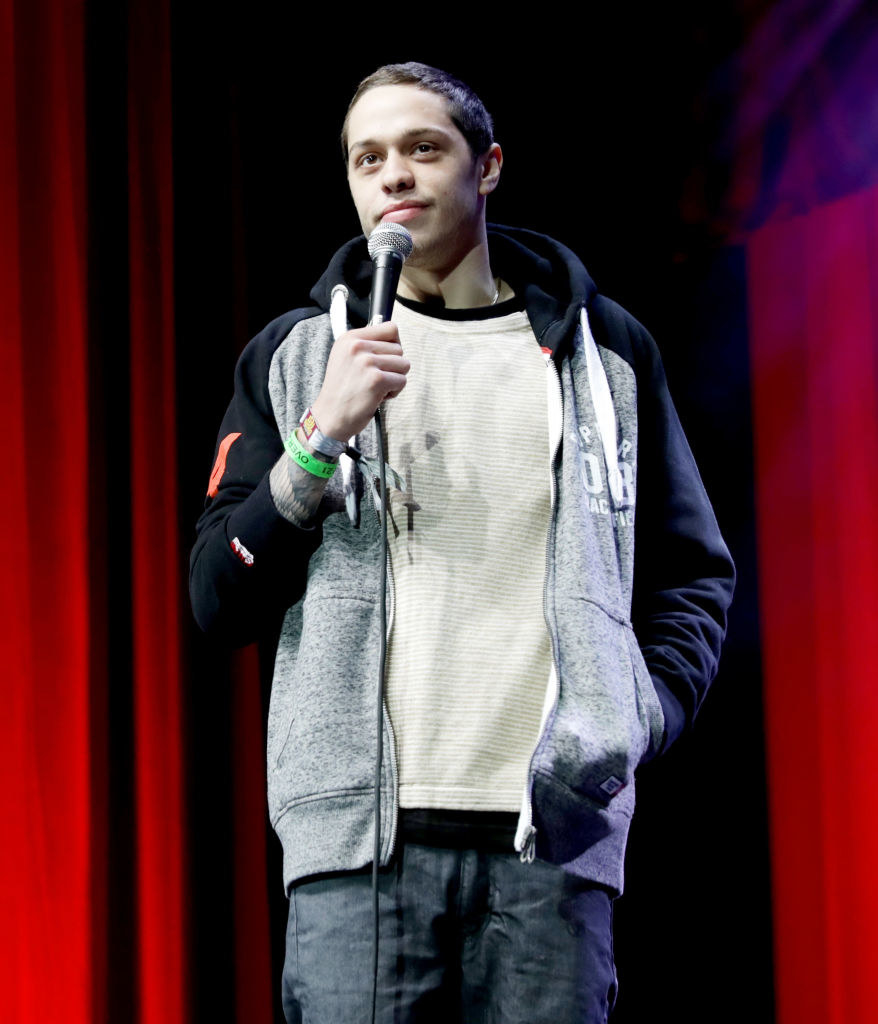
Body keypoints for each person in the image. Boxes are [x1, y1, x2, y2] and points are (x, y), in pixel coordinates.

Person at [190, 62, 735, 1024]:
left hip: (551, 848)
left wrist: (630, 717)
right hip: (360, 853)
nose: (393, 175)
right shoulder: (297, 359)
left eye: (421, 149)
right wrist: (320, 439)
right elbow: (216, 597)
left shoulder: (602, 353)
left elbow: (691, 574)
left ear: (485, 168)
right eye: (368, 159)